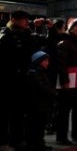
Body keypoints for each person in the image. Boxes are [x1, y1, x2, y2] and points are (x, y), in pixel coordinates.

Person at [0, 10, 43, 151]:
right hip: (9, 80)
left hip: (24, 79)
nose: (26, 21)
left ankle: (18, 140)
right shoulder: (6, 36)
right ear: (14, 20)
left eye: (27, 19)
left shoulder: (27, 35)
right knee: (7, 113)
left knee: (19, 112)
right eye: (23, 19)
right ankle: (4, 141)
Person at [56, 18, 77, 145]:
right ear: (70, 28)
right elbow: (61, 64)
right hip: (69, 81)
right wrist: (64, 80)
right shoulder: (65, 42)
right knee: (64, 111)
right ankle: (61, 137)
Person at [26, 51, 56, 151]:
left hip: (41, 104)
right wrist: (52, 92)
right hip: (37, 104)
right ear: (39, 61)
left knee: (40, 124)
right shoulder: (34, 73)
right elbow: (41, 87)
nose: (47, 63)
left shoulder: (40, 72)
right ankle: (35, 144)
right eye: (45, 61)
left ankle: (38, 143)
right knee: (36, 125)